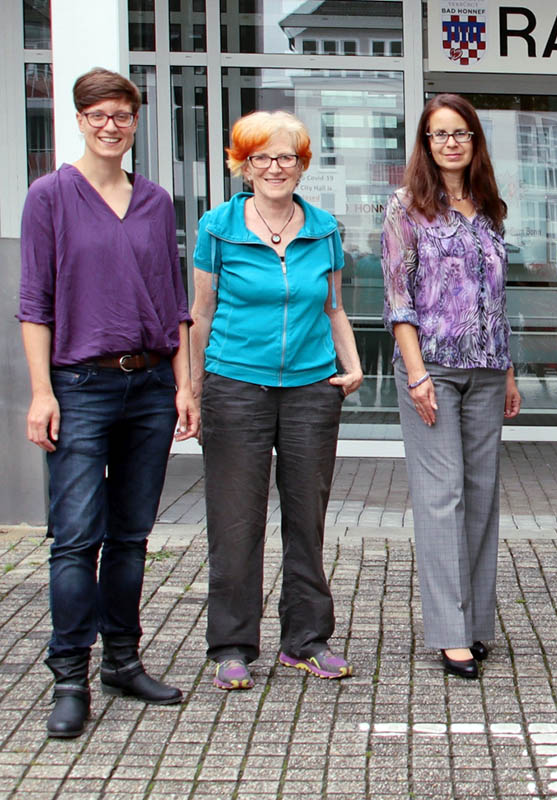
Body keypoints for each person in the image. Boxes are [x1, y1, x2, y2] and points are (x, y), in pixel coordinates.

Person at [18, 67, 198, 738]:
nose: (111, 125)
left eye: (122, 114)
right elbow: (34, 303)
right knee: (75, 540)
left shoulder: (154, 201)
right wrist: (41, 393)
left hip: (150, 385)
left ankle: (122, 661)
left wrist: (183, 386)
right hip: (80, 387)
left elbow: (172, 303)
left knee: (130, 537)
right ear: (80, 119)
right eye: (98, 115)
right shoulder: (49, 197)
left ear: (135, 120)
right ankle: (69, 676)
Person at [190, 110, 362, 691]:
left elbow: (333, 306)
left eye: (285, 156)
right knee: (236, 522)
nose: (273, 167)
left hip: (312, 389)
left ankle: (306, 640)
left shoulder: (324, 229)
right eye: (260, 156)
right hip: (236, 386)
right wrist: (192, 389)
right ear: (242, 164)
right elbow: (201, 315)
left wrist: (354, 363)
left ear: (302, 164)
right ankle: (233, 645)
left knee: (306, 519)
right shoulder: (217, 227)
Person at [381, 94, 521, 680]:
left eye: (461, 133)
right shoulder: (406, 207)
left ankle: (475, 623)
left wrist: (510, 372)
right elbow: (398, 299)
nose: (451, 143)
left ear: (474, 140)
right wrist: (415, 375)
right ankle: (448, 633)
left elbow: (497, 298)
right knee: (443, 501)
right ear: (425, 142)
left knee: (482, 498)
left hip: (488, 371)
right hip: (432, 370)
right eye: (440, 134)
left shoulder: (489, 208)